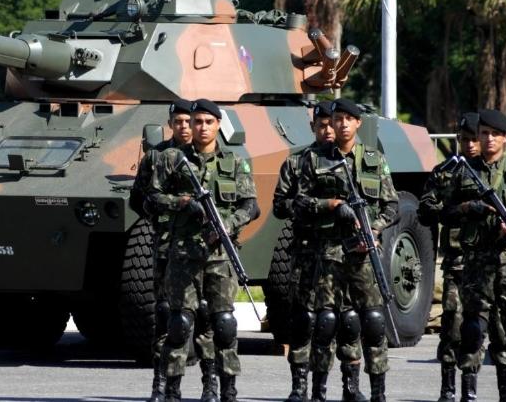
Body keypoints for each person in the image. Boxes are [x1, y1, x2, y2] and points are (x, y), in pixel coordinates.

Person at [148, 99, 260, 402]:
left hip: (220, 256)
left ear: (218, 125)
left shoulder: (235, 163)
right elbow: (152, 198)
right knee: (179, 323)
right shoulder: (170, 159)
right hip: (183, 253)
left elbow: (251, 206)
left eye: (208, 122)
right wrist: (183, 203)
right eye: (196, 121)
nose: (201, 127)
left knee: (222, 324)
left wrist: (225, 224)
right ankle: (171, 391)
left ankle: (221, 388)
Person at [293, 98, 398, 402]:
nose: (340, 124)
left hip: (363, 253)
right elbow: (299, 202)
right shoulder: (314, 160)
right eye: (336, 119)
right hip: (328, 253)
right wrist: (331, 206)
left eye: (346, 119)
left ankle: (374, 391)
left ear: (357, 123)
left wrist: (374, 228)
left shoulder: (374, 160)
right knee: (325, 323)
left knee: (372, 321)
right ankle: (319, 391)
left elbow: (392, 205)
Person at [441, 109, 506, 401]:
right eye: (483, 133)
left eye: (494, 134)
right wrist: (466, 209)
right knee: (472, 330)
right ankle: (468, 394)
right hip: (475, 264)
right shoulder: (463, 172)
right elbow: (444, 213)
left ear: (505, 138)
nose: (487, 139)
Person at [273, 100, 367, 402]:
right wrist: (310, 207)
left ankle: (351, 387)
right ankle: (301, 387)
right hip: (307, 253)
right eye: (322, 124)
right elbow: (279, 206)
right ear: (313, 126)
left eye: (333, 123)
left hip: (349, 253)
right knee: (305, 321)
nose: (328, 129)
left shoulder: (357, 162)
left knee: (347, 319)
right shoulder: (297, 162)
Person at [419, 113, 506, 402]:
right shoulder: (446, 172)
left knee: (500, 328)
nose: (471, 144)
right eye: (464, 139)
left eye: (475, 138)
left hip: (493, 261)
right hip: (458, 263)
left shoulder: (496, 172)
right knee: (454, 325)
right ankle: (449, 388)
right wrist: (460, 210)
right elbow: (426, 211)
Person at [130, 99, 219, 402]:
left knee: (206, 313)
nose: (184, 127)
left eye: (188, 121)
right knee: (167, 314)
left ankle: (210, 385)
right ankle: (160, 384)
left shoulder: (206, 158)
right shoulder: (157, 158)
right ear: (170, 124)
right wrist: (164, 214)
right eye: (178, 121)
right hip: (166, 246)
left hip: (201, 248)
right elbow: (139, 198)